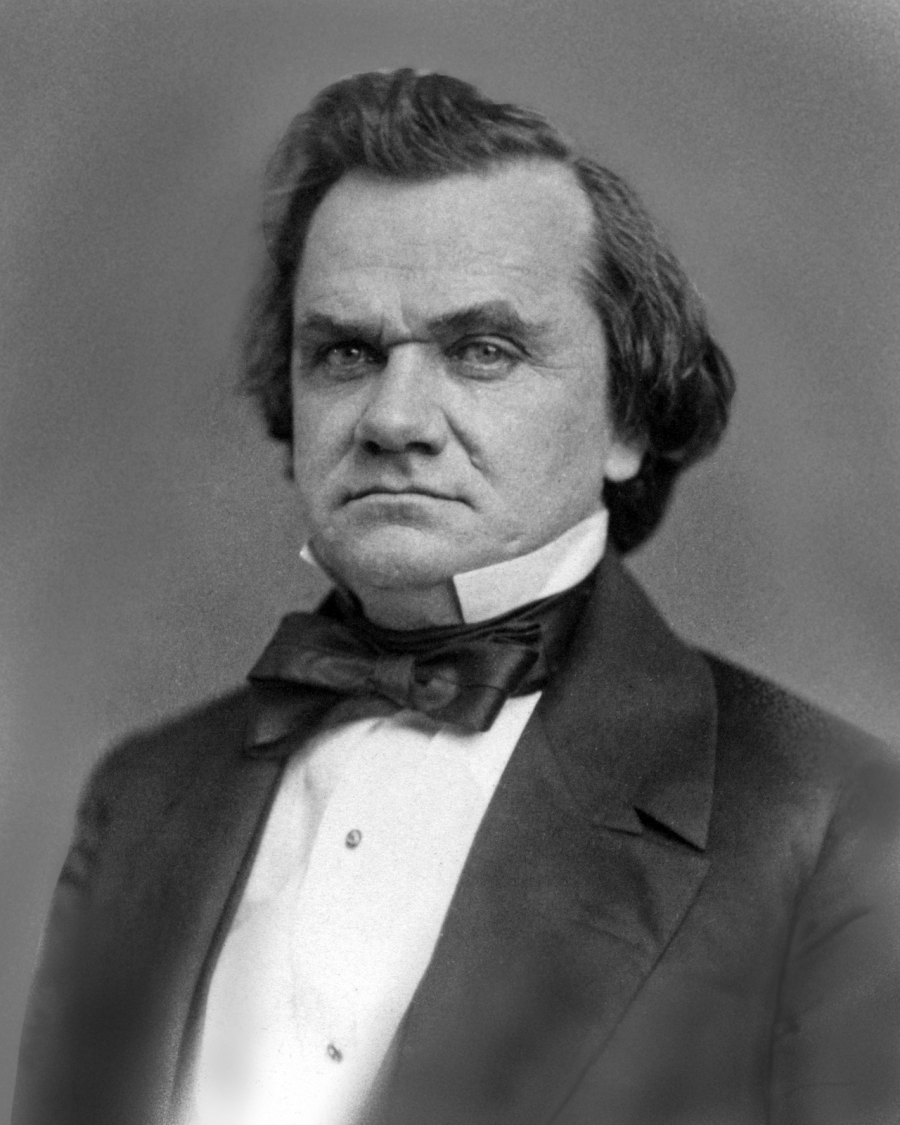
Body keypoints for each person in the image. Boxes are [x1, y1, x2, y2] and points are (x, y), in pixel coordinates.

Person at [13, 68, 900, 1125]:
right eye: (345, 353)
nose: (394, 419)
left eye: (483, 351)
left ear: (626, 419)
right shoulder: (142, 797)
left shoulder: (833, 822)